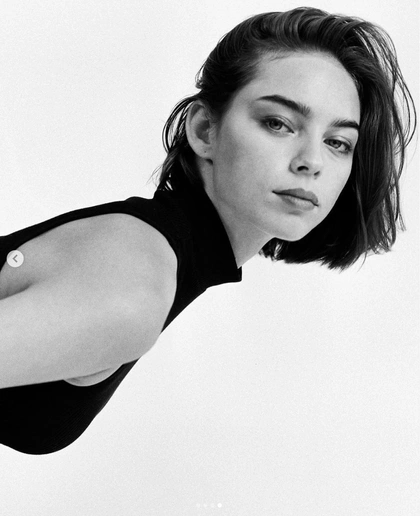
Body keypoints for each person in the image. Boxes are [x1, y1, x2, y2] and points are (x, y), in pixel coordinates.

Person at [0, 7, 416, 454]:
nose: (311, 161)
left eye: (338, 142)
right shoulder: (132, 284)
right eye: (278, 123)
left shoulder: (148, 258)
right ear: (204, 130)